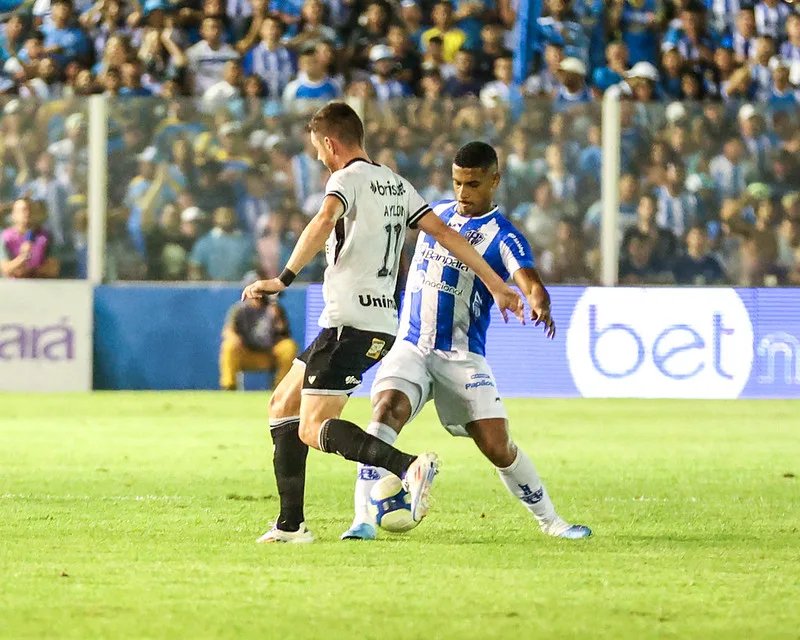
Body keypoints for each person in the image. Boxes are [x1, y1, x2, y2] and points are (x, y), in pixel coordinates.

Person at [241, 102, 524, 543]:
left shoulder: (345, 179)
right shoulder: (396, 183)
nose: (318, 156)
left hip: (348, 322)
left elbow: (323, 220)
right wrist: (497, 284)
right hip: (375, 321)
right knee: (282, 405)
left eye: (318, 148)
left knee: (312, 427)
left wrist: (283, 278)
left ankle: (406, 465)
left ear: (330, 143)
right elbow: (449, 236)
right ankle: (291, 524)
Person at [339, 142, 591, 541]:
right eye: (457, 183)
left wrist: (539, 301)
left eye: (472, 184)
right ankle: (361, 519)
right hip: (411, 345)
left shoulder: (503, 235)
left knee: (497, 445)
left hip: (462, 356)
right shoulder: (434, 213)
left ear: (494, 180)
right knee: (385, 411)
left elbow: (527, 277)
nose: (463, 193)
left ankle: (552, 522)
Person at [219, 294, 298, 390]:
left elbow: (285, 334)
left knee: (289, 346)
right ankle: (229, 386)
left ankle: (280, 387)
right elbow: (228, 331)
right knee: (228, 346)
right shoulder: (239, 309)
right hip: (246, 353)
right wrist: (235, 339)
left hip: (269, 354)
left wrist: (277, 318)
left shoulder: (275, 309)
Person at [1, 198, 60, 279]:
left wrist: (31, 271)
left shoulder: (46, 236)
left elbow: (53, 269)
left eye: (31, 210)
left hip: (41, 286)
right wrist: (23, 257)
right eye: (23, 210)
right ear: (13, 214)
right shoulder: (5, 238)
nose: (27, 213)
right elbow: (6, 269)